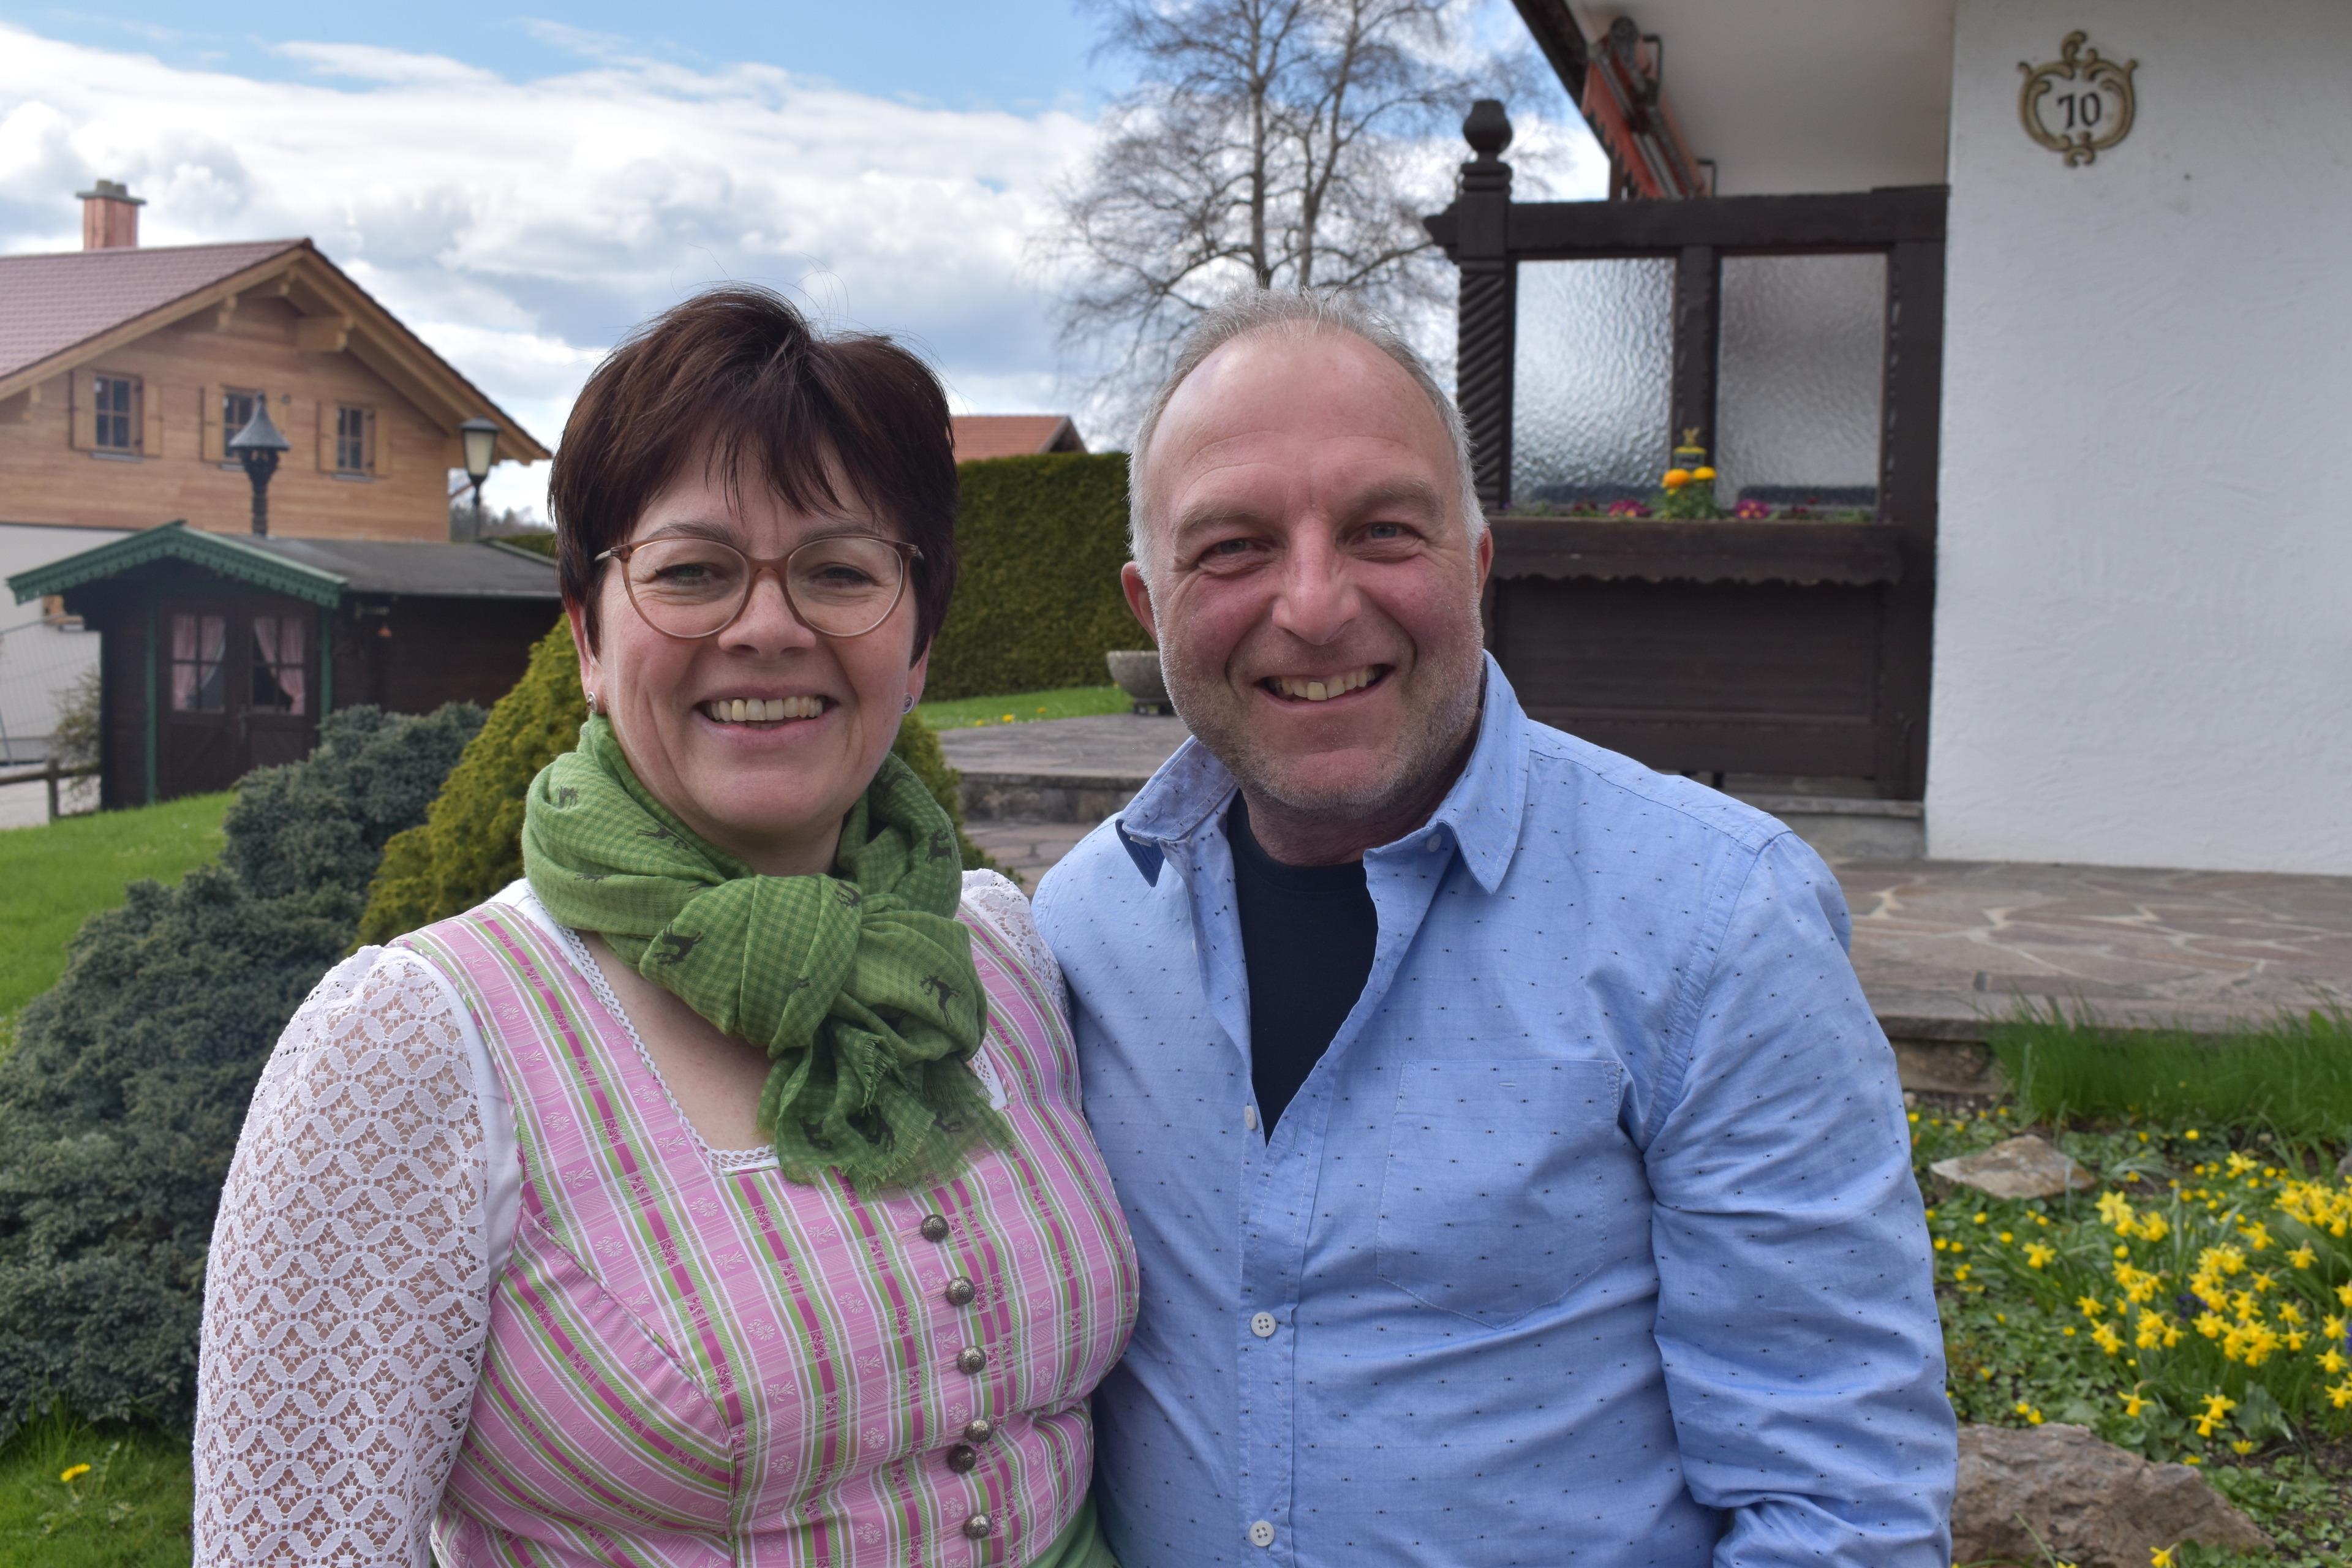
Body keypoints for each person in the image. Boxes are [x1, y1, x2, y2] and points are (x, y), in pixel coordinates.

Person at [194, 287, 1138, 1567]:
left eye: (842, 571)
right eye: (693, 571)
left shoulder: (1001, 959)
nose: (769, 627)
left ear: (918, 646)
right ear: (587, 634)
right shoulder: (417, 1047)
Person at [1033, 289, 1955, 1567]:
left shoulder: (1714, 923)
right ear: (1151, 606)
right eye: (1234, 547)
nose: (1315, 604)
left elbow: (1841, 1504)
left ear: (1474, 563)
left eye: (1382, 530)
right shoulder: (1084, 927)